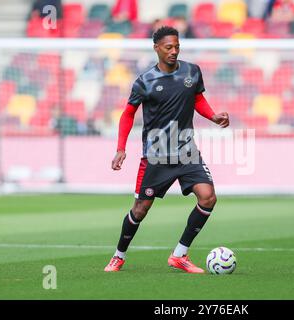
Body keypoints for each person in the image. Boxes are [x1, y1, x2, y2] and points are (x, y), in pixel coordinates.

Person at [104, 26, 230, 273]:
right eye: (168, 47)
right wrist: (121, 148)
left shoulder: (192, 71)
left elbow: (197, 99)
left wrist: (213, 116)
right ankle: (118, 256)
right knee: (140, 210)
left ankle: (179, 255)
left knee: (208, 196)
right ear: (156, 48)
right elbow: (128, 113)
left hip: (186, 151)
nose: (174, 51)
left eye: (177, 46)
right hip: (156, 156)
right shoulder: (145, 82)